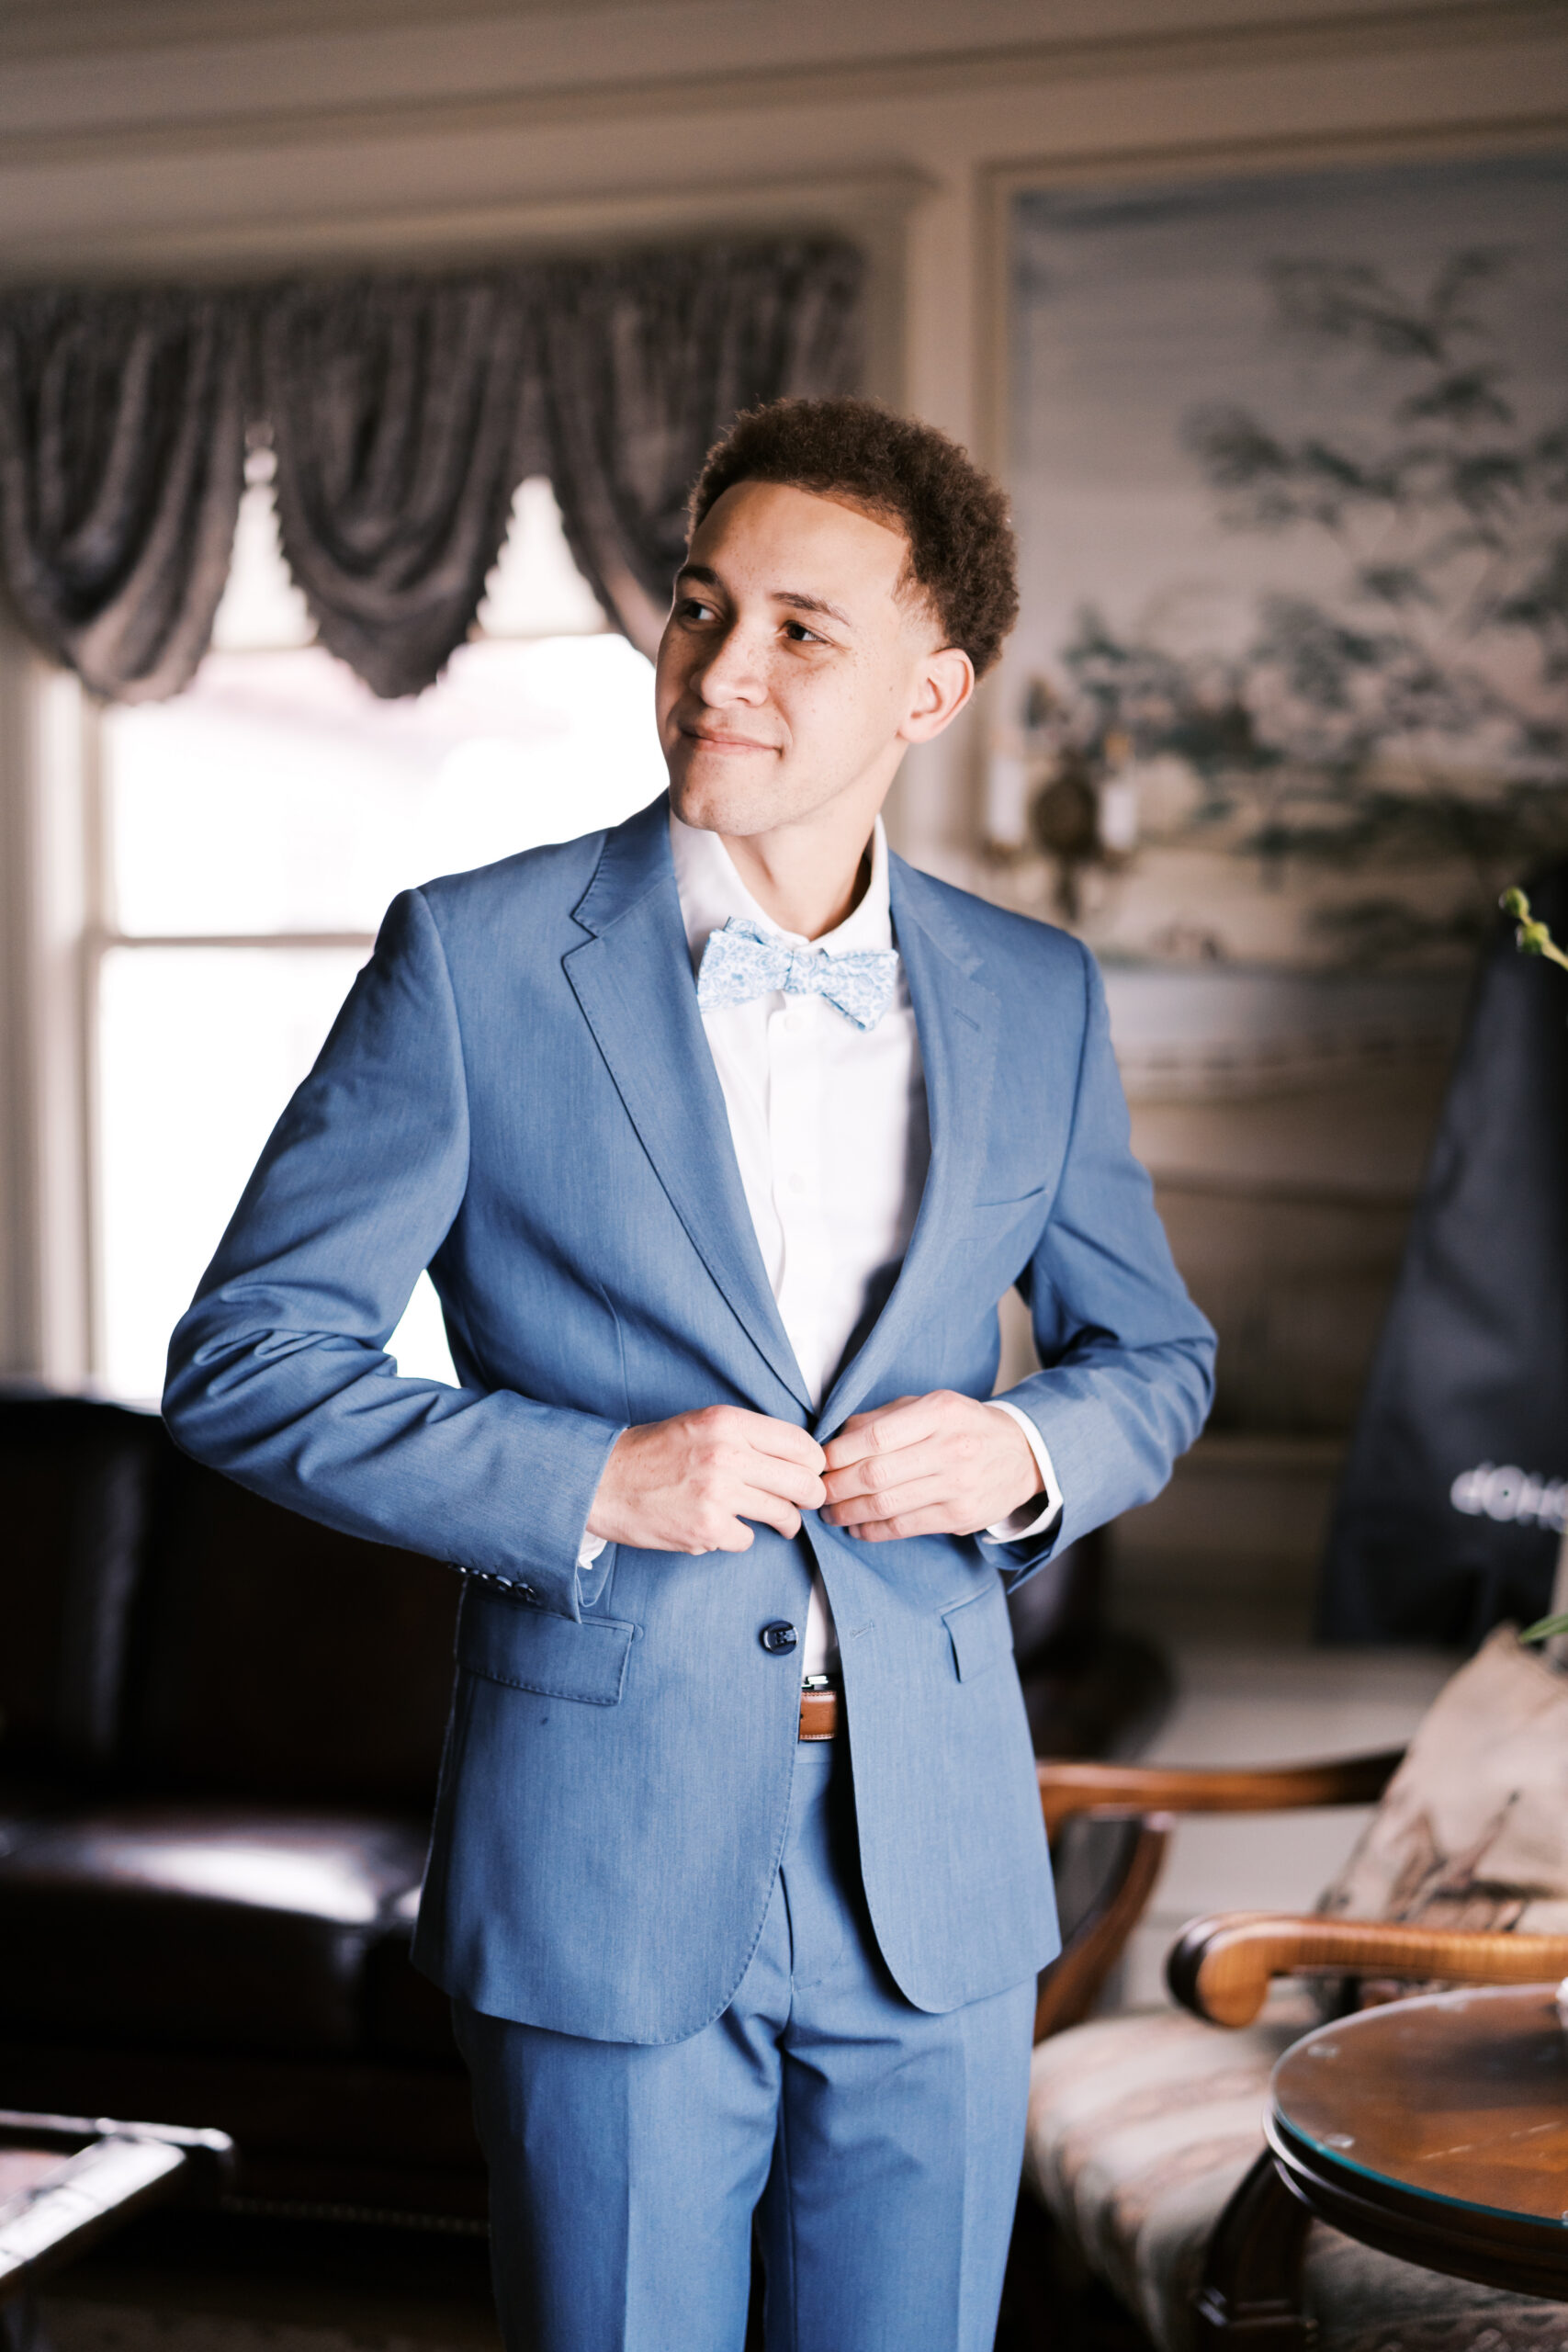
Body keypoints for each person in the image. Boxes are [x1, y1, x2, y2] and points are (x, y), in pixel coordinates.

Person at [164, 396, 1214, 2352]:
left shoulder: (1035, 993)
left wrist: (1017, 1440)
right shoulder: (473, 960)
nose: (722, 671)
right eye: (700, 606)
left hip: (940, 1871)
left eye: (802, 629)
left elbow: (1151, 1352)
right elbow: (245, 1356)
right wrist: (585, 1476)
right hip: (604, 1846)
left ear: (934, 680)